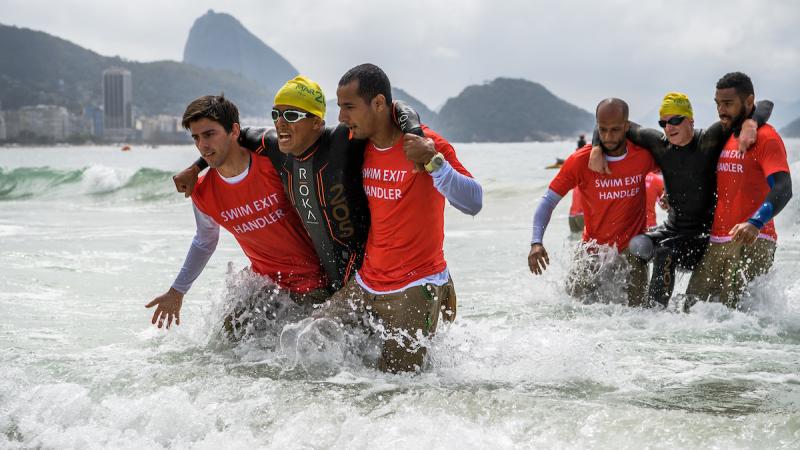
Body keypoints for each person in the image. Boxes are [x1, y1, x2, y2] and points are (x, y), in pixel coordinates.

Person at [174, 76, 423, 294]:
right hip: (317, 284)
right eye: (276, 114)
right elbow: (230, 139)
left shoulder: (342, 142)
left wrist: (416, 135)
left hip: (362, 280)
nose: (281, 122)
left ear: (317, 122)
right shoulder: (276, 147)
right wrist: (196, 168)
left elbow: (394, 108)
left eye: (292, 115)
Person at [313, 63, 483, 373]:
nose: (341, 117)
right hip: (366, 283)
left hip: (416, 286)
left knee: (396, 385)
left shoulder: (427, 144)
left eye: (349, 107)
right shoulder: (358, 145)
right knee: (309, 341)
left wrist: (434, 163)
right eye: (340, 107)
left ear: (378, 103)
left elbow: (474, 202)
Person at [145, 95, 327, 332]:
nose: (202, 145)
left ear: (234, 130)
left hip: (315, 285)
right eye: (196, 138)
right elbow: (204, 241)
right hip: (265, 285)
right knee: (225, 340)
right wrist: (177, 291)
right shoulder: (202, 192)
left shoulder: (273, 165)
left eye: (209, 134)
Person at [588, 92, 772, 307]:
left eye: (676, 120)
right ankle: (635, 306)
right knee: (636, 245)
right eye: (663, 122)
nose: (669, 126)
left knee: (665, 251)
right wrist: (596, 147)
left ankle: (656, 312)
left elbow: (765, 104)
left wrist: (751, 123)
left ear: (691, 121)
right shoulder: (659, 143)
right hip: (673, 230)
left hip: (704, 236)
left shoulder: (709, 139)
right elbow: (611, 124)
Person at [528, 98, 655, 306]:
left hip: (631, 253)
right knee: (570, 310)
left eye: (615, 130)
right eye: (603, 130)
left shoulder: (643, 155)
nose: (608, 137)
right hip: (593, 251)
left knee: (638, 316)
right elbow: (548, 200)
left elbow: (674, 169)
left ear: (627, 126)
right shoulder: (581, 160)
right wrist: (536, 242)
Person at [686, 72, 792, 308]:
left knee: (734, 319)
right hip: (718, 240)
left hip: (752, 239)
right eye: (718, 104)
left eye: (728, 104)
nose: (721, 110)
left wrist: (755, 222)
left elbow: (784, 188)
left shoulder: (766, 139)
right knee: (690, 310)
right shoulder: (726, 134)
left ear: (748, 101)